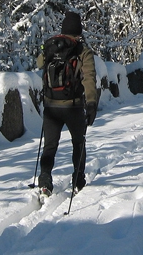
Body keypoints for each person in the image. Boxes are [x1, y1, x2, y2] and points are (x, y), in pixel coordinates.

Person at [36, 11, 98, 196]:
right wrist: (92, 103)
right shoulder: (83, 51)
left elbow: (40, 64)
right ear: (79, 31)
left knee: (49, 146)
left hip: (51, 106)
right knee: (78, 142)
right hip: (73, 106)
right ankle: (78, 179)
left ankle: (45, 180)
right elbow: (89, 79)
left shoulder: (50, 46)